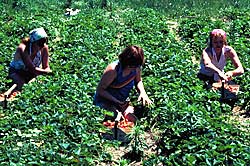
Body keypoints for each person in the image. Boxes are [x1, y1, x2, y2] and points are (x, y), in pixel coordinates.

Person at [94, 45, 153, 122]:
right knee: (113, 115)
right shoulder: (113, 70)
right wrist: (116, 101)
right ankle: (105, 114)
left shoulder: (136, 67)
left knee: (133, 118)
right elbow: (100, 90)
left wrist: (143, 93)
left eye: (137, 66)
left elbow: (138, 81)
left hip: (121, 102)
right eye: (132, 66)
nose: (135, 68)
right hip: (104, 102)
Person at [7, 27, 52, 93]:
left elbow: (46, 66)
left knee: (35, 85)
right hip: (17, 71)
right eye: (40, 43)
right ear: (33, 42)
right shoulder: (23, 48)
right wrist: (48, 72)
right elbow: (32, 68)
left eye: (44, 42)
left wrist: (47, 71)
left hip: (32, 73)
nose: (42, 45)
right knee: (20, 84)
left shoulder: (44, 48)